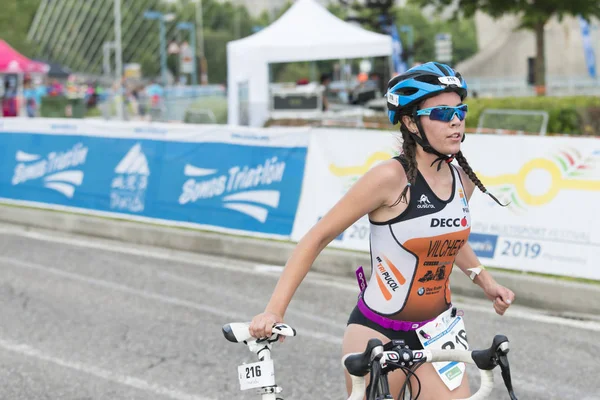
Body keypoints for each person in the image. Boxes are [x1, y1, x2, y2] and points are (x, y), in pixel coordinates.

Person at [248, 62, 516, 400]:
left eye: (460, 110)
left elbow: (447, 239)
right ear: (409, 121)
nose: (456, 120)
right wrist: (274, 311)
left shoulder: (463, 180)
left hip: (439, 331)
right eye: (442, 112)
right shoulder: (389, 179)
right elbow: (317, 238)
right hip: (377, 331)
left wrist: (487, 284)